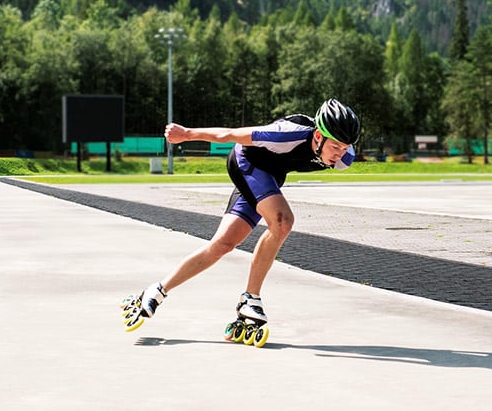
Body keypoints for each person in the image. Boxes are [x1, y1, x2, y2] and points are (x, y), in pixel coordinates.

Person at [121, 98, 361, 345]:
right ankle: (251, 298)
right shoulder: (287, 134)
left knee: (223, 244)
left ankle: (157, 291)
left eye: (345, 147)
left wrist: (340, 151)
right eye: (335, 146)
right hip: (247, 161)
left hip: (269, 177)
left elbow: (330, 154)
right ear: (319, 136)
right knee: (282, 221)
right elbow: (230, 134)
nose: (340, 154)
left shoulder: (344, 158)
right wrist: (186, 134)